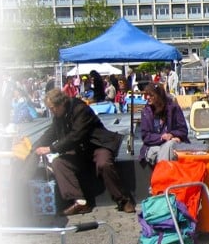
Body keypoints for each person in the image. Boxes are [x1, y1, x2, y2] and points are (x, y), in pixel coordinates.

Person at [32, 88, 135, 216]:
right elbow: (52, 132)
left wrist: (51, 149)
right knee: (58, 163)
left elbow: (76, 135)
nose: (51, 111)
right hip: (80, 150)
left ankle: (123, 200)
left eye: (52, 108)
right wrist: (36, 145)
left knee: (104, 163)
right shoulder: (59, 115)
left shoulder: (80, 109)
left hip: (97, 145)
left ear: (61, 104)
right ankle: (80, 202)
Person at [139, 82, 190, 165]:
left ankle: (162, 175)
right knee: (166, 151)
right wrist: (162, 137)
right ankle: (165, 174)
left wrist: (171, 135)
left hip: (173, 144)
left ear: (159, 96)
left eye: (151, 95)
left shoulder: (173, 108)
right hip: (153, 145)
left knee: (170, 146)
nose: (147, 97)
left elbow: (183, 130)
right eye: (146, 95)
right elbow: (145, 136)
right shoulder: (146, 112)